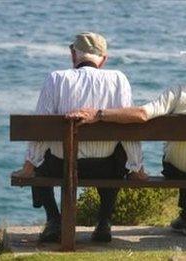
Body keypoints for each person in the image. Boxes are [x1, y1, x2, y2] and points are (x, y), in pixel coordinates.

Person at [67, 36, 186, 237]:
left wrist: (99, 114)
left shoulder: (178, 93)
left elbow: (143, 114)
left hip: (178, 169)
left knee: (182, 155)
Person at [12, 32, 144, 243]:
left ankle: (54, 220)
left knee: (39, 158)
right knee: (120, 154)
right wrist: (137, 168)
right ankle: (104, 222)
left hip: (60, 165)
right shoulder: (119, 79)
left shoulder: (56, 78)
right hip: (105, 168)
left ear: (73, 54)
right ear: (104, 59)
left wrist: (29, 166)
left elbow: (40, 131)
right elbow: (127, 130)